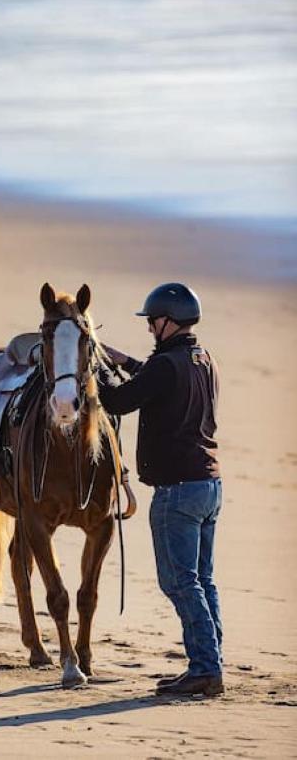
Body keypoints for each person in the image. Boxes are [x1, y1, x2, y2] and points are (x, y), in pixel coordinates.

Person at [98, 283, 223, 697]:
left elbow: (116, 403)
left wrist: (89, 372)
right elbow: (157, 381)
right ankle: (210, 662)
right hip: (208, 485)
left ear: (168, 320)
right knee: (202, 580)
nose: (150, 328)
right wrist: (124, 361)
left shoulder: (165, 364)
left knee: (180, 583)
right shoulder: (202, 359)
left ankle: (205, 670)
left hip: (177, 493)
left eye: (152, 321)